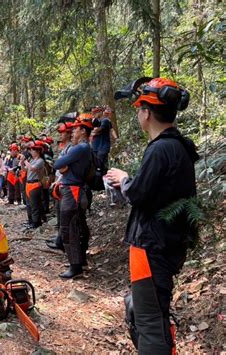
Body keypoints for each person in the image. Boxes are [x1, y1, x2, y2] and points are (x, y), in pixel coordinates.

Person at [106, 77, 198, 353]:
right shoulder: (177, 146)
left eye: (138, 109)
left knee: (149, 321)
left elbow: (137, 194)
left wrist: (123, 179)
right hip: (161, 243)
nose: (138, 115)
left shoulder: (161, 149)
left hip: (153, 246)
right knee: (142, 310)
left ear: (146, 113)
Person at [53, 115, 93, 279]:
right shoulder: (83, 148)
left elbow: (57, 164)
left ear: (83, 130)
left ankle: (75, 266)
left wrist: (63, 161)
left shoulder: (80, 148)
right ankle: (79, 260)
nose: (73, 132)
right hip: (75, 190)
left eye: (76, 129)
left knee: (69, 228)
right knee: (77, 225)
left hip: (73, 191)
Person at [46, 121, 74, 251]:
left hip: (65, 184)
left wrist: (58, 180)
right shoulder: (66, 148)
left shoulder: (71, 149)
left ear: (68, 134)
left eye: (62, 133)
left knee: (64, 216)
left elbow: (65, 168)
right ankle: (59, 238)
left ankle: (62, 242)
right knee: (59, 213)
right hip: (59, 183)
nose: (60, 136)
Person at [21, 140, 46, 229]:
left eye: (33, 150)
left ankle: (36, 222)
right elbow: (25, 170)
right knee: (28, 204)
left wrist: (26, 161)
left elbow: (32, 168)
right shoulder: (31, 160)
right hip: (28, 183)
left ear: (38, 151)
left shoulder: (40, 161)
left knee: (34, 205)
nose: (31, 152)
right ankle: (30, 221)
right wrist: (22, 162)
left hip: (35, 184)